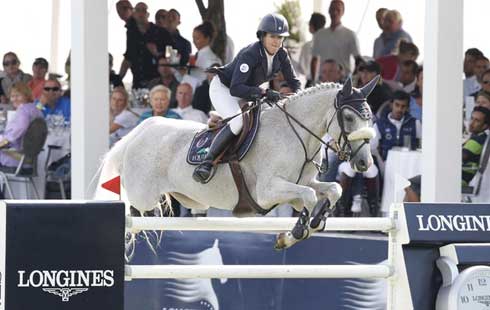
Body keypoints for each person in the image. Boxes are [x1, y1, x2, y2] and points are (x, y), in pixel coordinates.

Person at [192, 13, 301, 183]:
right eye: (272, 36)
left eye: (280, 37)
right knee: (238, 122)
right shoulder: (250, 54)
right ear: (262, 36)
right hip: (224, 89)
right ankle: (207, 162)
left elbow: (294, 82)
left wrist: (298, 100)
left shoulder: (282, 54)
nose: (277, 41)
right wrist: (264, 93)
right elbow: (236, 88)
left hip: (247, 91)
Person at [310, 0, 360, 80]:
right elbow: (314, 59)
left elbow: (358, 60)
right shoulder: (319, 34)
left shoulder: (350, 35)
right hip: (323, 81)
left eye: (338, 10)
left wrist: (353, 80)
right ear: (329, 10)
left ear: (343, 12)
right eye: (332, 9)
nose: (335, 12)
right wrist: (313, 81)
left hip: (343, 80)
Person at [0, 82, 43, 168]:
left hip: (17, 158)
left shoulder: (23, 111)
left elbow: (14, 134)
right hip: (30, 158)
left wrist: (2, 142)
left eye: (18, 95)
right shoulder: (35, 109)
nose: (14, 99)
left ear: (27, 96)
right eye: (12, 96)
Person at [462, 106, 490, 186]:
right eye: (472, 118)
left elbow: (460, 156)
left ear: (485, 126)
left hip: (458, 179)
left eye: (477, 120)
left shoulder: (478, 139)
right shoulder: (481, 137)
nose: (471, 123)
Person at [298, 12, 326, 86]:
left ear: (312, 26)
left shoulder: (306, 46)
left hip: (311, 84)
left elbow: (301, 69)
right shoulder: (329, 44)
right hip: (326, 84)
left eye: (309, 23)